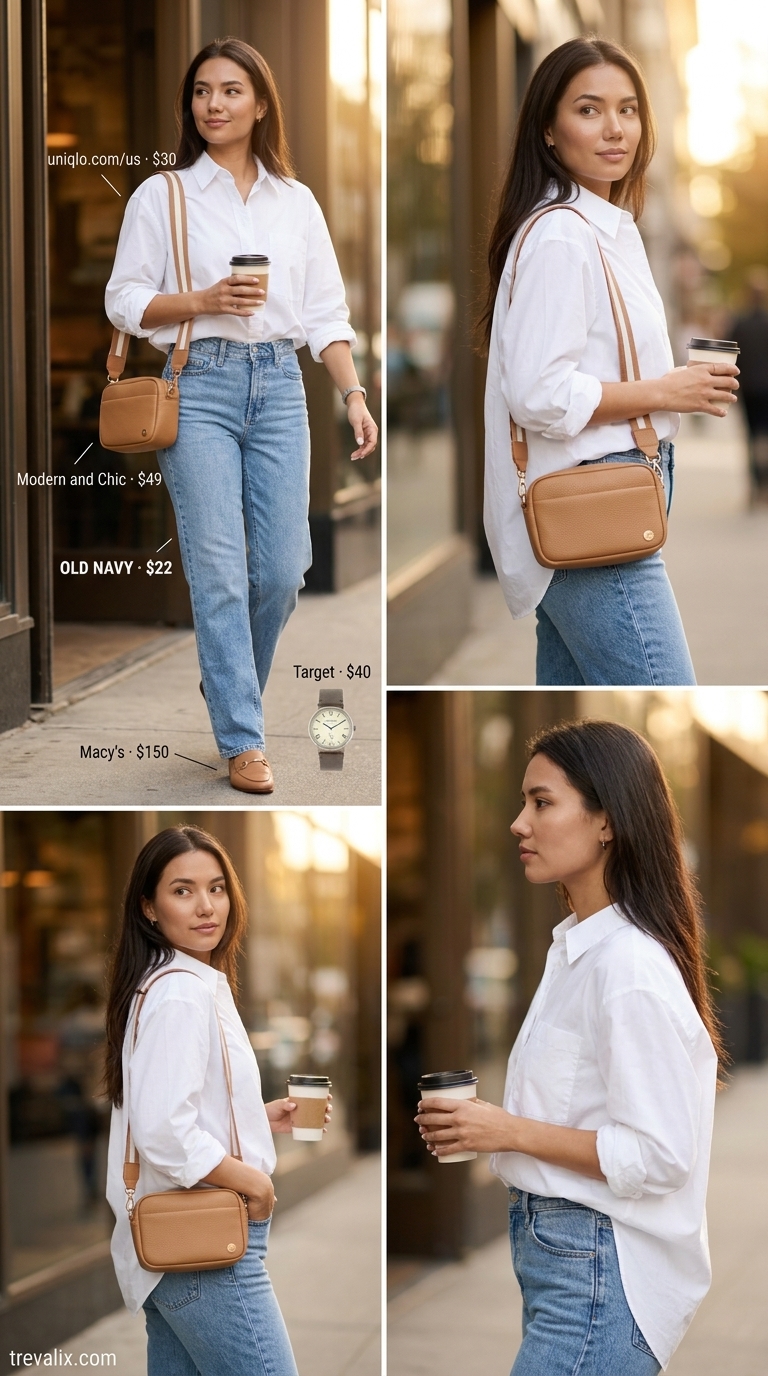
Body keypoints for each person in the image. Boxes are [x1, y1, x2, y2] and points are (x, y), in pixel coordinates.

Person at [105, 38, 377, 793]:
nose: (214, 104)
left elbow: (325, 310)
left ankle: (227, 686)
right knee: (220, 571)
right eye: (201, 92)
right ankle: (241, 736)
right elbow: (124, 299)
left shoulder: (297, 203)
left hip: (282, 387)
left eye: (230, 91)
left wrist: (353, 395)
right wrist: (204, 301)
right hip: (201, 385)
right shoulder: (163, 196)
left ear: (261, 103)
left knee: (283, 571)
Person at [416, 719, 724, 1374]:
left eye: (542, 802)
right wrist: (491, 1127)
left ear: (606, 821)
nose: (517, 823)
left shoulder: (627, 967)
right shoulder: (577, 951)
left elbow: (659, 1154)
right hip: (564, 1257)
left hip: (599, 1269)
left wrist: (507, 1129)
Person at [480, 38, 739, 686]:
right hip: (593, 501)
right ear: (549, 127)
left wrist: (668, 385)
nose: (615, 128)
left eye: (627, 109)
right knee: (664, 688)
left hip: (602, 496)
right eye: (590, 109)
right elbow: (537, 393)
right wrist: (664, 392)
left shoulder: (599, 227)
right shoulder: (564, 233)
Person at [103, 824, 331, 1375]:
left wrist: (257, 1117)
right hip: (206, 1248)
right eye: (182, 890)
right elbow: (163, 1130)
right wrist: (254, 1180)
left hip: (182, 1249)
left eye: (217, 888)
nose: (206, 907)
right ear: (149, 909)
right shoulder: (180, 991)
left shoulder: (174, 982)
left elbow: (169, 1108)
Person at [728, 266, 768, 501]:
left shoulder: (739, 324)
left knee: (752, 437)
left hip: (748, 390)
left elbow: (732, 356)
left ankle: (755, 483)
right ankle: (766, 483)